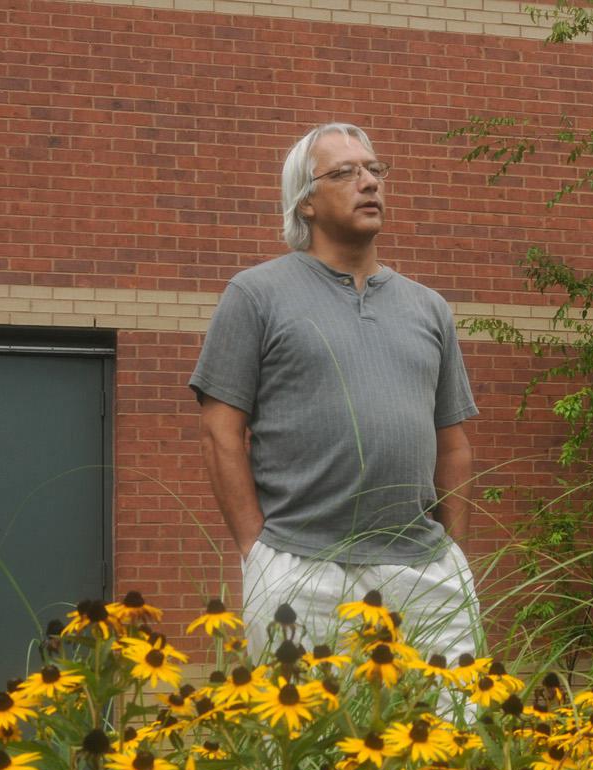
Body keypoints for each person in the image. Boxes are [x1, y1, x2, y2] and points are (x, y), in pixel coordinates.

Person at [189, 122, 481, 663]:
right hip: (301, 570)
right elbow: (219, 433)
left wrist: (452, 549)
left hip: (423, 570)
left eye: (374, 169)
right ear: (304, 203)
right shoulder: (255, 295)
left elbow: (454, 443)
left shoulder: (428, 307)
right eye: (345, 172)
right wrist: (258, 553)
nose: (369, 182)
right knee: (302, 741)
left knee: (451, 739)